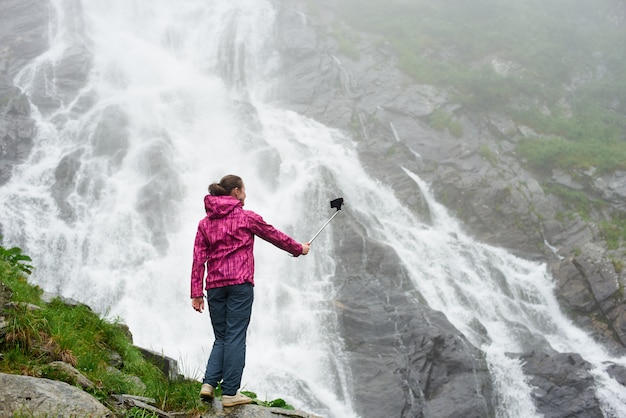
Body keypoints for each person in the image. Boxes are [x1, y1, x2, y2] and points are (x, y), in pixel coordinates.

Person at [190, 174, 310, 407]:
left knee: (222, 337)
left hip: (214, 286)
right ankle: (230, 393)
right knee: (235, 336)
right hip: (239, 284)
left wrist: (196, 292)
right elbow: (275, 235)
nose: (246, 194)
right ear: (235, 192)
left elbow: (198, 259)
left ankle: (208, 384)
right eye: (244, 190)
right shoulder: (246, 217)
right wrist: (299, 249)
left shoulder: (204, 224)